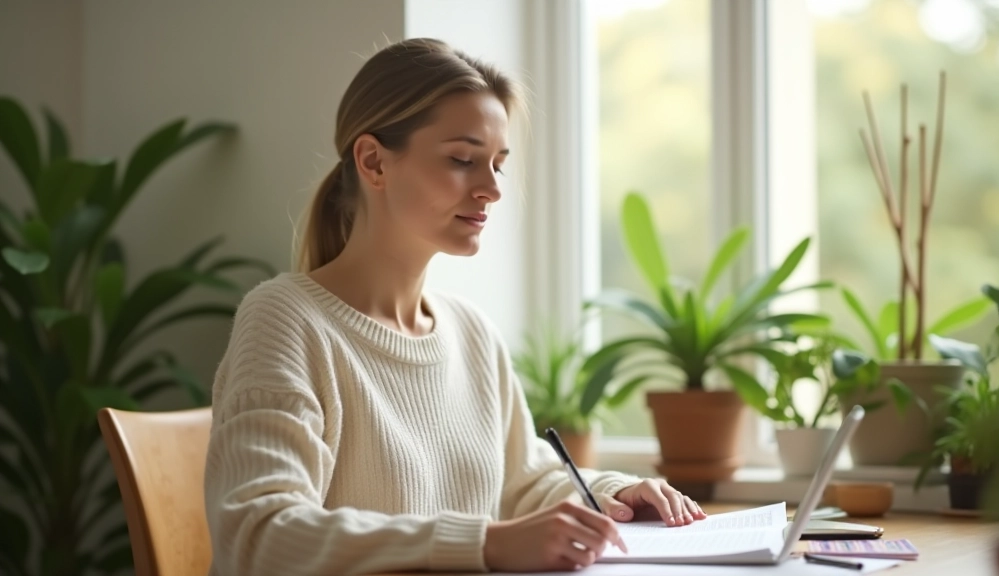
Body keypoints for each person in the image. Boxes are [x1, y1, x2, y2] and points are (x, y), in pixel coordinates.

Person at [203, 37, 706, 576]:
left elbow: (523, 482)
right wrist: (484, 544)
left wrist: (617, 493)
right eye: (463, 160)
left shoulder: (471, 333)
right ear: (373, 161)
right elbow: (259, 534)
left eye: (498, 164)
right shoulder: (286, 320)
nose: (491, 189)